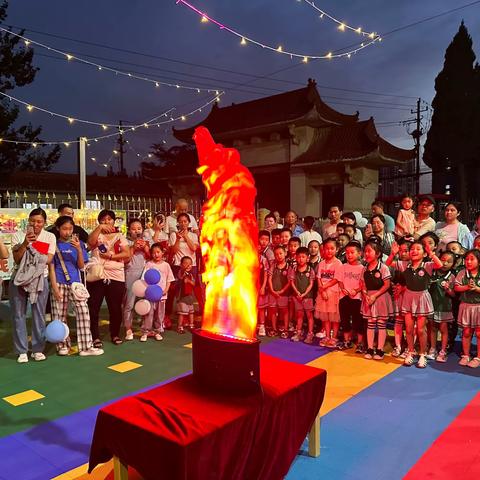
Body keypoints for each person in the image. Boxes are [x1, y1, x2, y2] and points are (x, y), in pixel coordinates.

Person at [49, 216, 103, 356]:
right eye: (64, 229)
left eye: (70, 229)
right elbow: (51, 268)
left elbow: (80, 266)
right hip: (59, 282)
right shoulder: (53, 245)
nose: (67, 232)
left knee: (83, 312)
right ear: (58, 229)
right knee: (59, 315)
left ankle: (85, 347)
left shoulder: (78, 244)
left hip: (76, 283)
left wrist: (79, 249)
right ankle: (62, 345)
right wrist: (54, 287)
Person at [11, 208, 56, 363]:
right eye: (32, 221)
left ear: (44, 223)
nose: (35, 224)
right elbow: (17, 259)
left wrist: (34, 247)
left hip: (39, 278)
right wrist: (25, 243)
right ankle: (22, 350)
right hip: (19, 278)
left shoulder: (50, 236)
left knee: (39, 314)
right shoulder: (17, 235)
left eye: (39, 221)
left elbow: (49, 259)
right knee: (18, 314)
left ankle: (37, 349)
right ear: (28, 221)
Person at [387, 240, 442, 368]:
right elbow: (388, 263)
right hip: (408, 298)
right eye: (412, 249)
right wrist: (392, 253)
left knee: (421, 330)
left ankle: (422, 354)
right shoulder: (404, 264)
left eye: (418, 249)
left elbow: (439, 265)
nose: (414, 251)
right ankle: (410, 352)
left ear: (424, 253)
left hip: (422, 297)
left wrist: (431, 253)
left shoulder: (427, 265)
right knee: (410, 329)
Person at [87, 209, 130, 347]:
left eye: (109, 219)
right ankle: (95, 337)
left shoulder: (120, 236)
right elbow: (90, 243)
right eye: (103, 220)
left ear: (113, 221)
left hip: (116, 276)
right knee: (93, 307)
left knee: (115, 307)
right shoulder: (97, 234)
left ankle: (115, 334)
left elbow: (127, 254)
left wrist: (111, 256)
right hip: (97, 275)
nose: (106, 222)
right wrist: (99, 228)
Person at [361, 240, 393, 360]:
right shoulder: (364, 268)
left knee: (381, 324)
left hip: (380, 298)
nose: (366, 254)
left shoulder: (383, 267)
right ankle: (370, 348)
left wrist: (375, 296)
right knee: (370, 324)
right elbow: (362, 284)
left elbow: (387, 284)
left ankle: (379, 350)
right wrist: (366, 295)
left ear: (378, 254)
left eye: (369, 251)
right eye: (365, 251)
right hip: (369, 298)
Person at [123, 219, 151, 341]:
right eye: (134, 229)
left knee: (145, 301)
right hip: (130, 273)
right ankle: (128, 328)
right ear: (129, 230)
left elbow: (152, 257)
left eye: (139, 228)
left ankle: (145, 327)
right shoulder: (125, 242)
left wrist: (145, 248)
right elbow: (126, 259)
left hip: (144, 274)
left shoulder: (147, 242)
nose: (137, 231)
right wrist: (133, 247)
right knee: (129, 302)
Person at [140, 243, 174, 341]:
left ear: (162, 252)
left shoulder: (166, 265)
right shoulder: (149, 264)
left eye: (158, 252)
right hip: (150, 295)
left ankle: (157, 331)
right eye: (154, 253)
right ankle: (146, 331)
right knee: (148, 313)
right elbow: (144, 278)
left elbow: (169, 279)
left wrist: (166, 290)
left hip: (161, 295)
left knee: (159, 314)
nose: (156, 254)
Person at [428, 251, 456, 362]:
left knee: (443, 329)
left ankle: (443, 351)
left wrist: (448, 289)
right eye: (443, 260)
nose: (445, 263)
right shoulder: (432, 272)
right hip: (431, 306)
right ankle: (433, 349)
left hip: (444, 307)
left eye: (449, 262)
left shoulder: (452, 276)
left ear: (453, 264)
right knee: (433, 328)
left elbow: (454, 295)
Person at [315, 238, 343, 348]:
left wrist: (324, 288)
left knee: (334, 317)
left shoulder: (338, 263)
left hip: (334, 293)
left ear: (336, 249)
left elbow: (336, 279)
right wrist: (321, 290)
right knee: (325, 316)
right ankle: (327, 335)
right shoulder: (321, 263)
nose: (329, 251)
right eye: (327, 249)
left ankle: (334, 337)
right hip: (323, 294)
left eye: (332, 249)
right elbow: (318, 278)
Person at [455, 249, 480, 368]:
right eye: (466, 259)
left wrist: (477, 289)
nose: (468, 262)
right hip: (466, 306)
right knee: (466, 332)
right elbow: (456, 288)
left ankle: (478, 357)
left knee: (479, 333)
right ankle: (465, 355)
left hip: (478, 307)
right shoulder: (462, 273)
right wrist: (466, 287)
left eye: (472, 259)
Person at [338, 241, 364, 351]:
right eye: (347, 252)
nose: (349, 255)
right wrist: (343, 289)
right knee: (345, 320)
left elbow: (363, 283)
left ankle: (360, 343)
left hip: (357, 298)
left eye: (352, 252)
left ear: (359, 253)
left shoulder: (362, 268)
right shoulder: (343, 266)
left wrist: (356, 290)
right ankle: (346, 341)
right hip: (344, 297)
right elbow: (339, 280)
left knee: (358, 321)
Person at [389, 237, 412, 358]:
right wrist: (392, 254)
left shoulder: (416, 264)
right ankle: (398, 345)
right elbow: (387, 263)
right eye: (401, 251)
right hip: (399, 297)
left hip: (411, 298)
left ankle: (409, 347)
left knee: (410, 324)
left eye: (406, 250)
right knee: (398, 322)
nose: (403, 253)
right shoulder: (399, 263)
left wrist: (403, 288)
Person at [289, 247, 316, 344]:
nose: (301, 259)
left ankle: (310, 333)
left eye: (303, 257)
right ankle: (299, 332)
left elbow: (311, 284)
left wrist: (304, 294)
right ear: (296, 257)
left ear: (307, 258)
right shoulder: (294, 269)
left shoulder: (310, 269)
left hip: (307, 297)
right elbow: (291, 282)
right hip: (297, 296)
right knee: (299, 315)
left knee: (309, 316)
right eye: (299, 257)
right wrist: (297, 293)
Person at [268, 245, 290, 338]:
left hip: (283, 294)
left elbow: (290, 281)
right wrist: (272, 290)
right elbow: (269, 278)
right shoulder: (273, 265)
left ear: (285, 253)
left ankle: (285, 329)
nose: (279, 256)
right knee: (273, 311)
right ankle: (274, 329)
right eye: (276, 254)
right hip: (273, 293)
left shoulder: (289, 266)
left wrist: (282, 291)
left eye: (280, 253)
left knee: (284, 311)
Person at [257, 231, 272, 336]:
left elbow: (266, 274)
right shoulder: (247, 257)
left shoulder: (264, 259)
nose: (263, 242)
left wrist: (263, 286)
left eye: (266, 240)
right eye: (261, 239)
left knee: (261, 307)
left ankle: (262, 325)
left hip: (261, 285)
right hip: (250, 287)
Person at [176, 256, 196, 333]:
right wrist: (184, 275)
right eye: (186, 263)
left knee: (191, 312)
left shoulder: (191, 275)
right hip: (182, 297)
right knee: (182, 313)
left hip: (190, 297)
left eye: (190, 264)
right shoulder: (181, 272)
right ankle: (180, 327)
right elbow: (180, 278)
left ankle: (191, 325)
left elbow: (194, 283)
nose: (188, 265)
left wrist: (189, 281)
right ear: (181, 265)